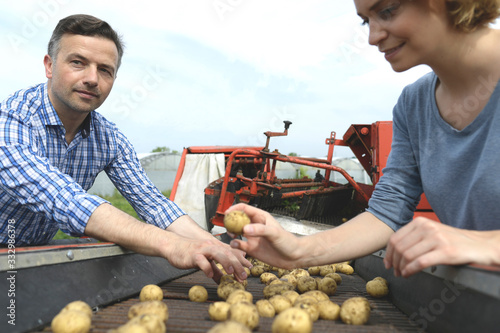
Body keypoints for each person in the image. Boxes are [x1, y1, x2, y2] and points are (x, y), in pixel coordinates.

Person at [229, 0, 500, 278]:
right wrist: (298, 250)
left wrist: (485, 243)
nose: (372, 37)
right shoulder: (413, 104)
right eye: (365, 20)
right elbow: (388, 212)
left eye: (387, 11)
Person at [0, 14, 249, 282]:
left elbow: (154, 205)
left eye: (105, 69)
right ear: (49, 66)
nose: (92, 78)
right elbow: (66, 200)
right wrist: (172, 245)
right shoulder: (13, 120)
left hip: (26, 258)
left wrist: (212, 245)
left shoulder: (108, 138)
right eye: (78, 63)